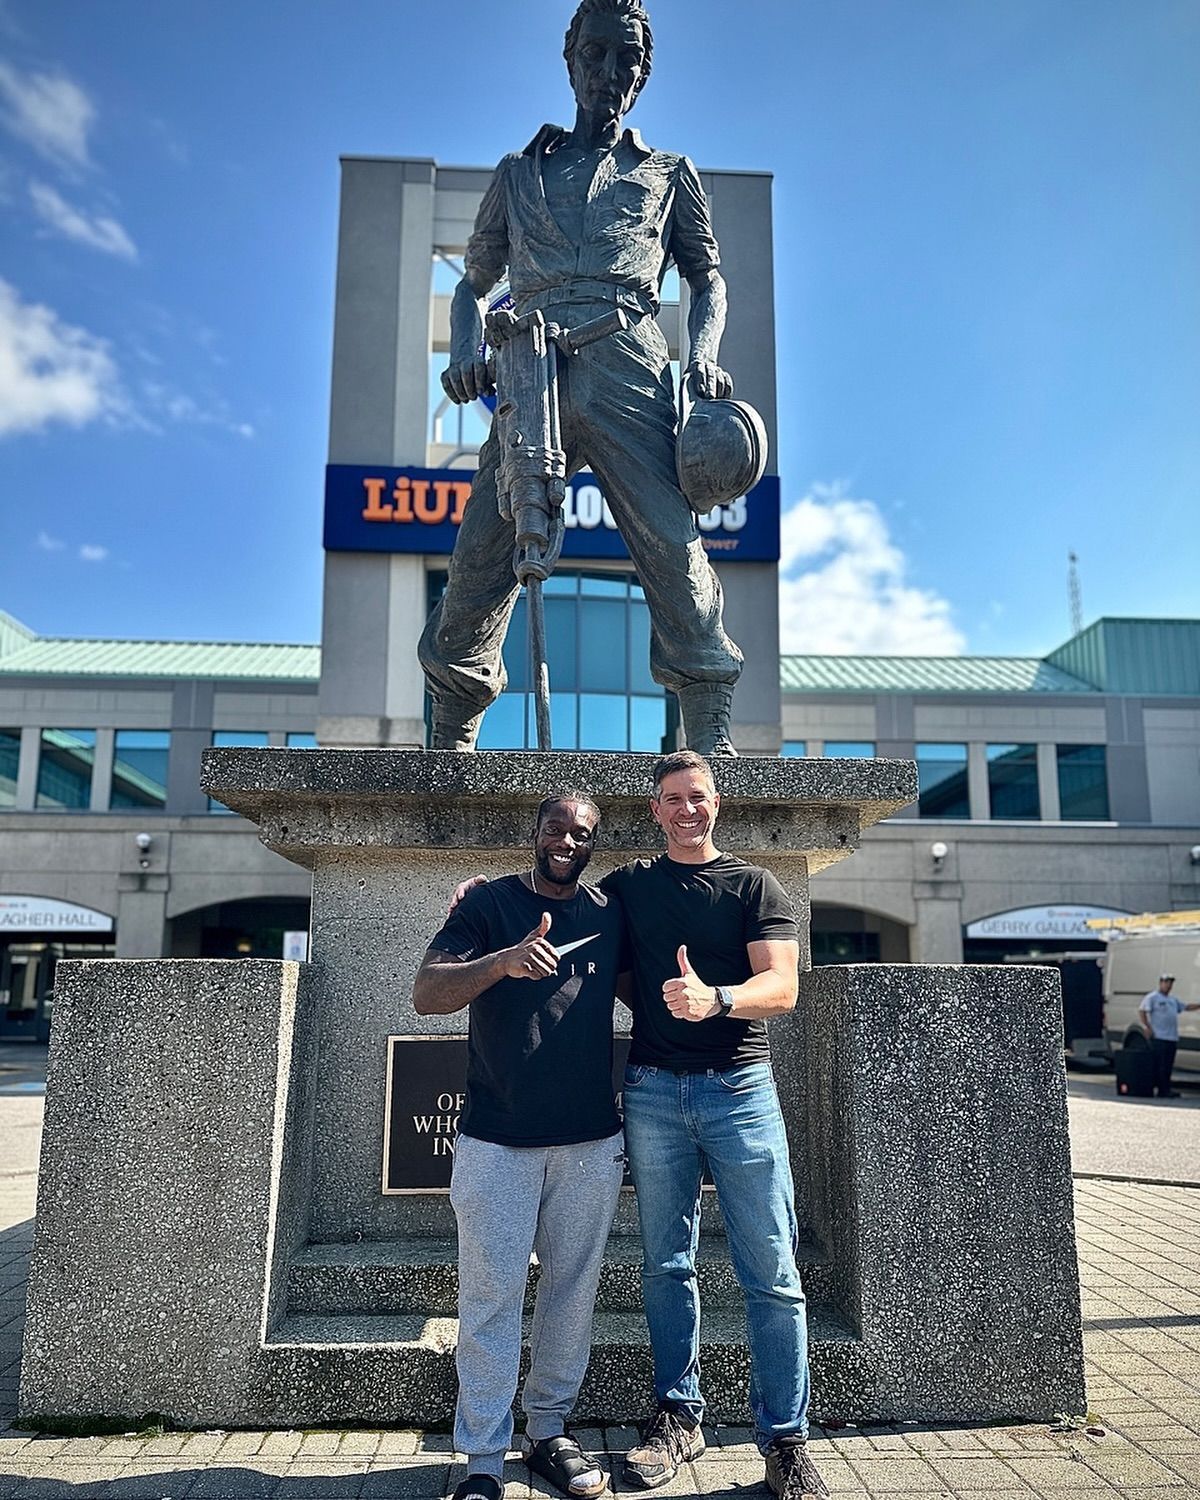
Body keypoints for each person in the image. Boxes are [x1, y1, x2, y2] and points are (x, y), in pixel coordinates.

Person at [452, 752, 827, 1500]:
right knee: (666, 1265)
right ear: (654, 812)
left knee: (774, 1275)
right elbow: (556, 889)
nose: (687, 809)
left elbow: (781, 987)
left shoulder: (756, 885)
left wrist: (715, 998)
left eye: (698, 797)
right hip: (652, 1091)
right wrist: (476, 898)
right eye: (671, 799)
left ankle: (784, 1439)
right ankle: (678, 1417)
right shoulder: (625, 890)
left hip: (739, 1089)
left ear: (717, 803)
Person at [419, 0, 743, 757]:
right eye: (596, 54)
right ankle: (451, 731)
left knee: (672, 546)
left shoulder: (668, 174)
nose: (610, 71)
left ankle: (710, 727)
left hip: (631, 359)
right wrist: (465, 348)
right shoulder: (518, 172)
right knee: (481, 556)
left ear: (643, 74)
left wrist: (701, 354)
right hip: (533, 365)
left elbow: (709, 279)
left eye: (626, 59)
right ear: (571, 61)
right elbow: (472, 285)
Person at [413, 794, 627, 1500]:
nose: (568, 840)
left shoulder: (606, 911)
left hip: (590, 1142)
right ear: (535, 833)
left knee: (570, 1293)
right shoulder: (487, 906)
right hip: (498, 1139)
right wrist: (504, 960)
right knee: (491, 1297)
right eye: (557, 829)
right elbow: (427, 993)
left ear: (595, 843)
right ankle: (480, 1458)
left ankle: (547, 1432)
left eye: (582, 833)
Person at [1139, 974, 1200, 1099]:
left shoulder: (1173, 1000)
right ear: (1160, 983)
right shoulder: (1152, 997)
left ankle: (1165, 1089)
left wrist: (1198, 1005)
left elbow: (1185, 1007)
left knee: (1168, 1065)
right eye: (1166, 982)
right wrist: (1147, 1026)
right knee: (1160, 1065)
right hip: (1159, 1037)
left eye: (1170, 983)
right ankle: (1160, 1090)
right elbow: (1142, 1011)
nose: (1168, 985)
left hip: (1171, 1037)